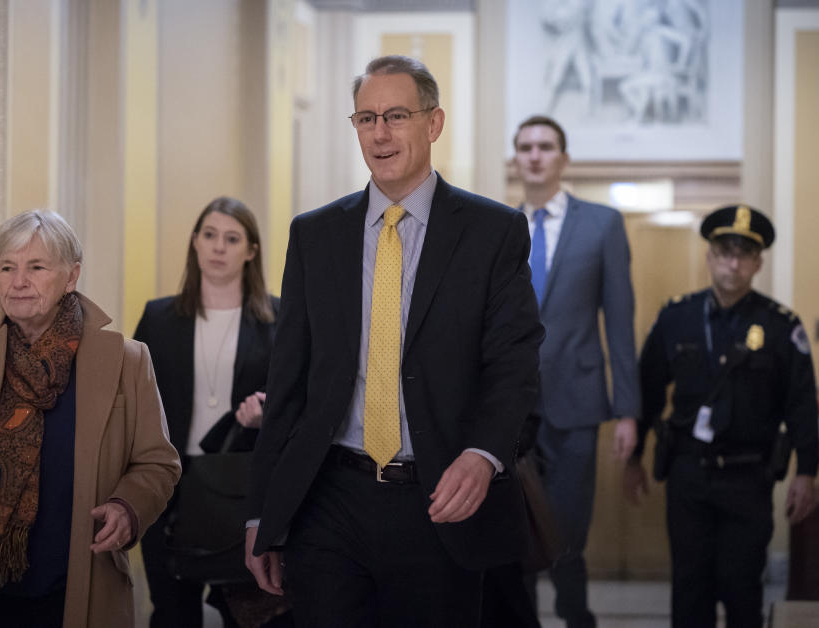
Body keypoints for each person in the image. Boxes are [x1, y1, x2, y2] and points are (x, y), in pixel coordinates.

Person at [243, 55, 544, 627]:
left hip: (437, 500)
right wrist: (262, 513)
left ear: (434, 123)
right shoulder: (315, 234)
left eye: (397, 115)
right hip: (328, 496)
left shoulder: (492, 233)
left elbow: (514, 364)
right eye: (365, 118)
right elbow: (287, 385)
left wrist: (483, 456)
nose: (379, 133)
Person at [0, 209, 181, 628]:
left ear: (71, 277)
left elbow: (158, 462)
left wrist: (128, 507)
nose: (18, 282)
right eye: (7, 267)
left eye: (36, 267)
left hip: (76, 585)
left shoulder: (125, 359)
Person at [624, 205, 819, 628]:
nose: (733, 263)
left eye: (744, 254)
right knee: (690, 587)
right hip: (688, 476)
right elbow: (650, 390)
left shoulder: (781, 325)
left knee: (742, 587)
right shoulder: (676, 317)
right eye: (725, 251)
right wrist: (634, 455)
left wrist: (806, 471)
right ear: (710, 257)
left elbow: (801, 402)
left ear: (758, 263)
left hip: (748, 477)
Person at [504, 115, 640, 628]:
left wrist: (627, 410)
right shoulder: (499, 225)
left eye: (545, 146)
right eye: (525, 147)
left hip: (577, 404)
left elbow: (620, 321)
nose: (535, 155)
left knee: (565, 533)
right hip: (511, 410)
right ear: (516, 158)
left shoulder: (601, 224)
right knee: (513, 532)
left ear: (563, 157)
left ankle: (575, 615)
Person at [133, 197, 289, 627]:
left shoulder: (280, 318)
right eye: (210, 235)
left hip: (244, 489)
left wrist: (266, 414)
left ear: (251, 250)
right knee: (172, 612)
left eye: (232, 238)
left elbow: (299, 401)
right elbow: (132, 401)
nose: (219, 247)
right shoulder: (159, 317)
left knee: (255, 613)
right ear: (195, 243)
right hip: (169, 488)